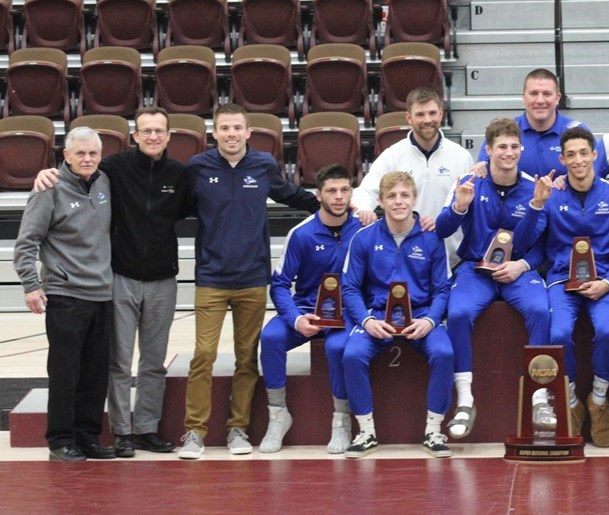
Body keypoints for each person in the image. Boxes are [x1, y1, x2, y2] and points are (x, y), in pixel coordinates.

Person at [32, 107, 191, 457]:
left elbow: (192, 210)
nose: (153, 136)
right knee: (116, 362)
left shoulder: (180, 175)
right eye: (146, 130)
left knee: (152, 362)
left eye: (159, 131)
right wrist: (46, 172)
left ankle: (146, 429)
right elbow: (76, 166)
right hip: (118, 278)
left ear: (168, 135)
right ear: (135, 136)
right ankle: (121, 433)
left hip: (161, 279)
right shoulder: (113, 169)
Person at [179, 104, 320, 459]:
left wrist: (335, 205)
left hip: (253, 279)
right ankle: (194, 431)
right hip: (211, 278)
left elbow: (291, 194)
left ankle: (237, 428)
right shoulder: (197, 167)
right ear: (214, 133)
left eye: (237, 128)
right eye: (224, 128)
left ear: (248, 132)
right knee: (204, 355)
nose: (231, 134)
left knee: (246, 358)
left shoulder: (263, 165)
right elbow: (175, 205)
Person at [515, 127, 609, 447]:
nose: (578, 160)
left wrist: (607, 282)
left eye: (584, 153)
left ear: (594, 155)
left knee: (608, 331)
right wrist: (536, 204)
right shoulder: (551, 195)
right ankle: (569, 402)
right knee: (558, 334)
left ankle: (598, 401)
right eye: (571, 154)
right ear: (562, 159)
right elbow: (525, 243)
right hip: (561, 279)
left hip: (604, 279)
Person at [435, 118, 549, 439]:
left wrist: (522, 264)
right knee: (458, 313)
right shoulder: (469, 181)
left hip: (517, 270)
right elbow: (442, 230)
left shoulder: (533, 187)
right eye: (502, 147)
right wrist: (459, 206)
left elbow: (540, 245)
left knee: (541, 311)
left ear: (521, 149)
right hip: (475, 269)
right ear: (488, 149)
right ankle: (465, 399)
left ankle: (540, 397)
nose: (509, 153)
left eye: (514, 146)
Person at [333, 172, 454, 458]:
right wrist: (367, 321)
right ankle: (366, 432)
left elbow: (443, 289)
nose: (398, 202)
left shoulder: (432, 238)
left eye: (404, 195)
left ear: (414, 199)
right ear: (381, 201)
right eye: (391, 196)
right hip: (378, 316)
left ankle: (434, 430)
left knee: (444, 353)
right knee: (352, 355)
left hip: (421, 315)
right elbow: (349, 288)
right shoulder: (364, 238)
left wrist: (430, 320)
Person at [15, 127, 115, 461]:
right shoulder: (49, 187)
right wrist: (31, 285)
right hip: (65, 294)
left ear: (100, 156)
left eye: (93, 153)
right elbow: (27, 241)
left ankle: (87, 437)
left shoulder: (104, 182)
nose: (87, 159)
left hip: (102, 293)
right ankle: (60, 440)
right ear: (66, 155)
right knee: (65, 373)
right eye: (80, 153)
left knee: (95, 374)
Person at [258, 165, 365, 454]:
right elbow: (280, 284)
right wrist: (295, 319)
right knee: (270, 338)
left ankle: (341, 421)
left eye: (344, 190)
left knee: (337, 348)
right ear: (318, 195)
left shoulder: (364, 229)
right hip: (307, 308)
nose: (339, 196)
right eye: (331, 191)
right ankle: (278, 416)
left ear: (352, 193)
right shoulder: (301, 234)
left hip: (347, 313)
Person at [352, 87, 474, 263]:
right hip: (406, 259)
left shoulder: (461, 156)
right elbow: (366, 191)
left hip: (452, 258)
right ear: (409, 118)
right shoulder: (393, 155)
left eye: (432, 113)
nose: (427, 120)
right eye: (420, 114)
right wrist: (364, 209)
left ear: (441, 114)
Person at [474, 68, 589, 177]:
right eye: (533, 93)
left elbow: (591, 179)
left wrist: (566, 181)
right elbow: (481, 173)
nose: (540, 100)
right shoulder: (503, 132)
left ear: (558, 98)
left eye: (547, 94)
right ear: (524, 97)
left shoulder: (578, 133)